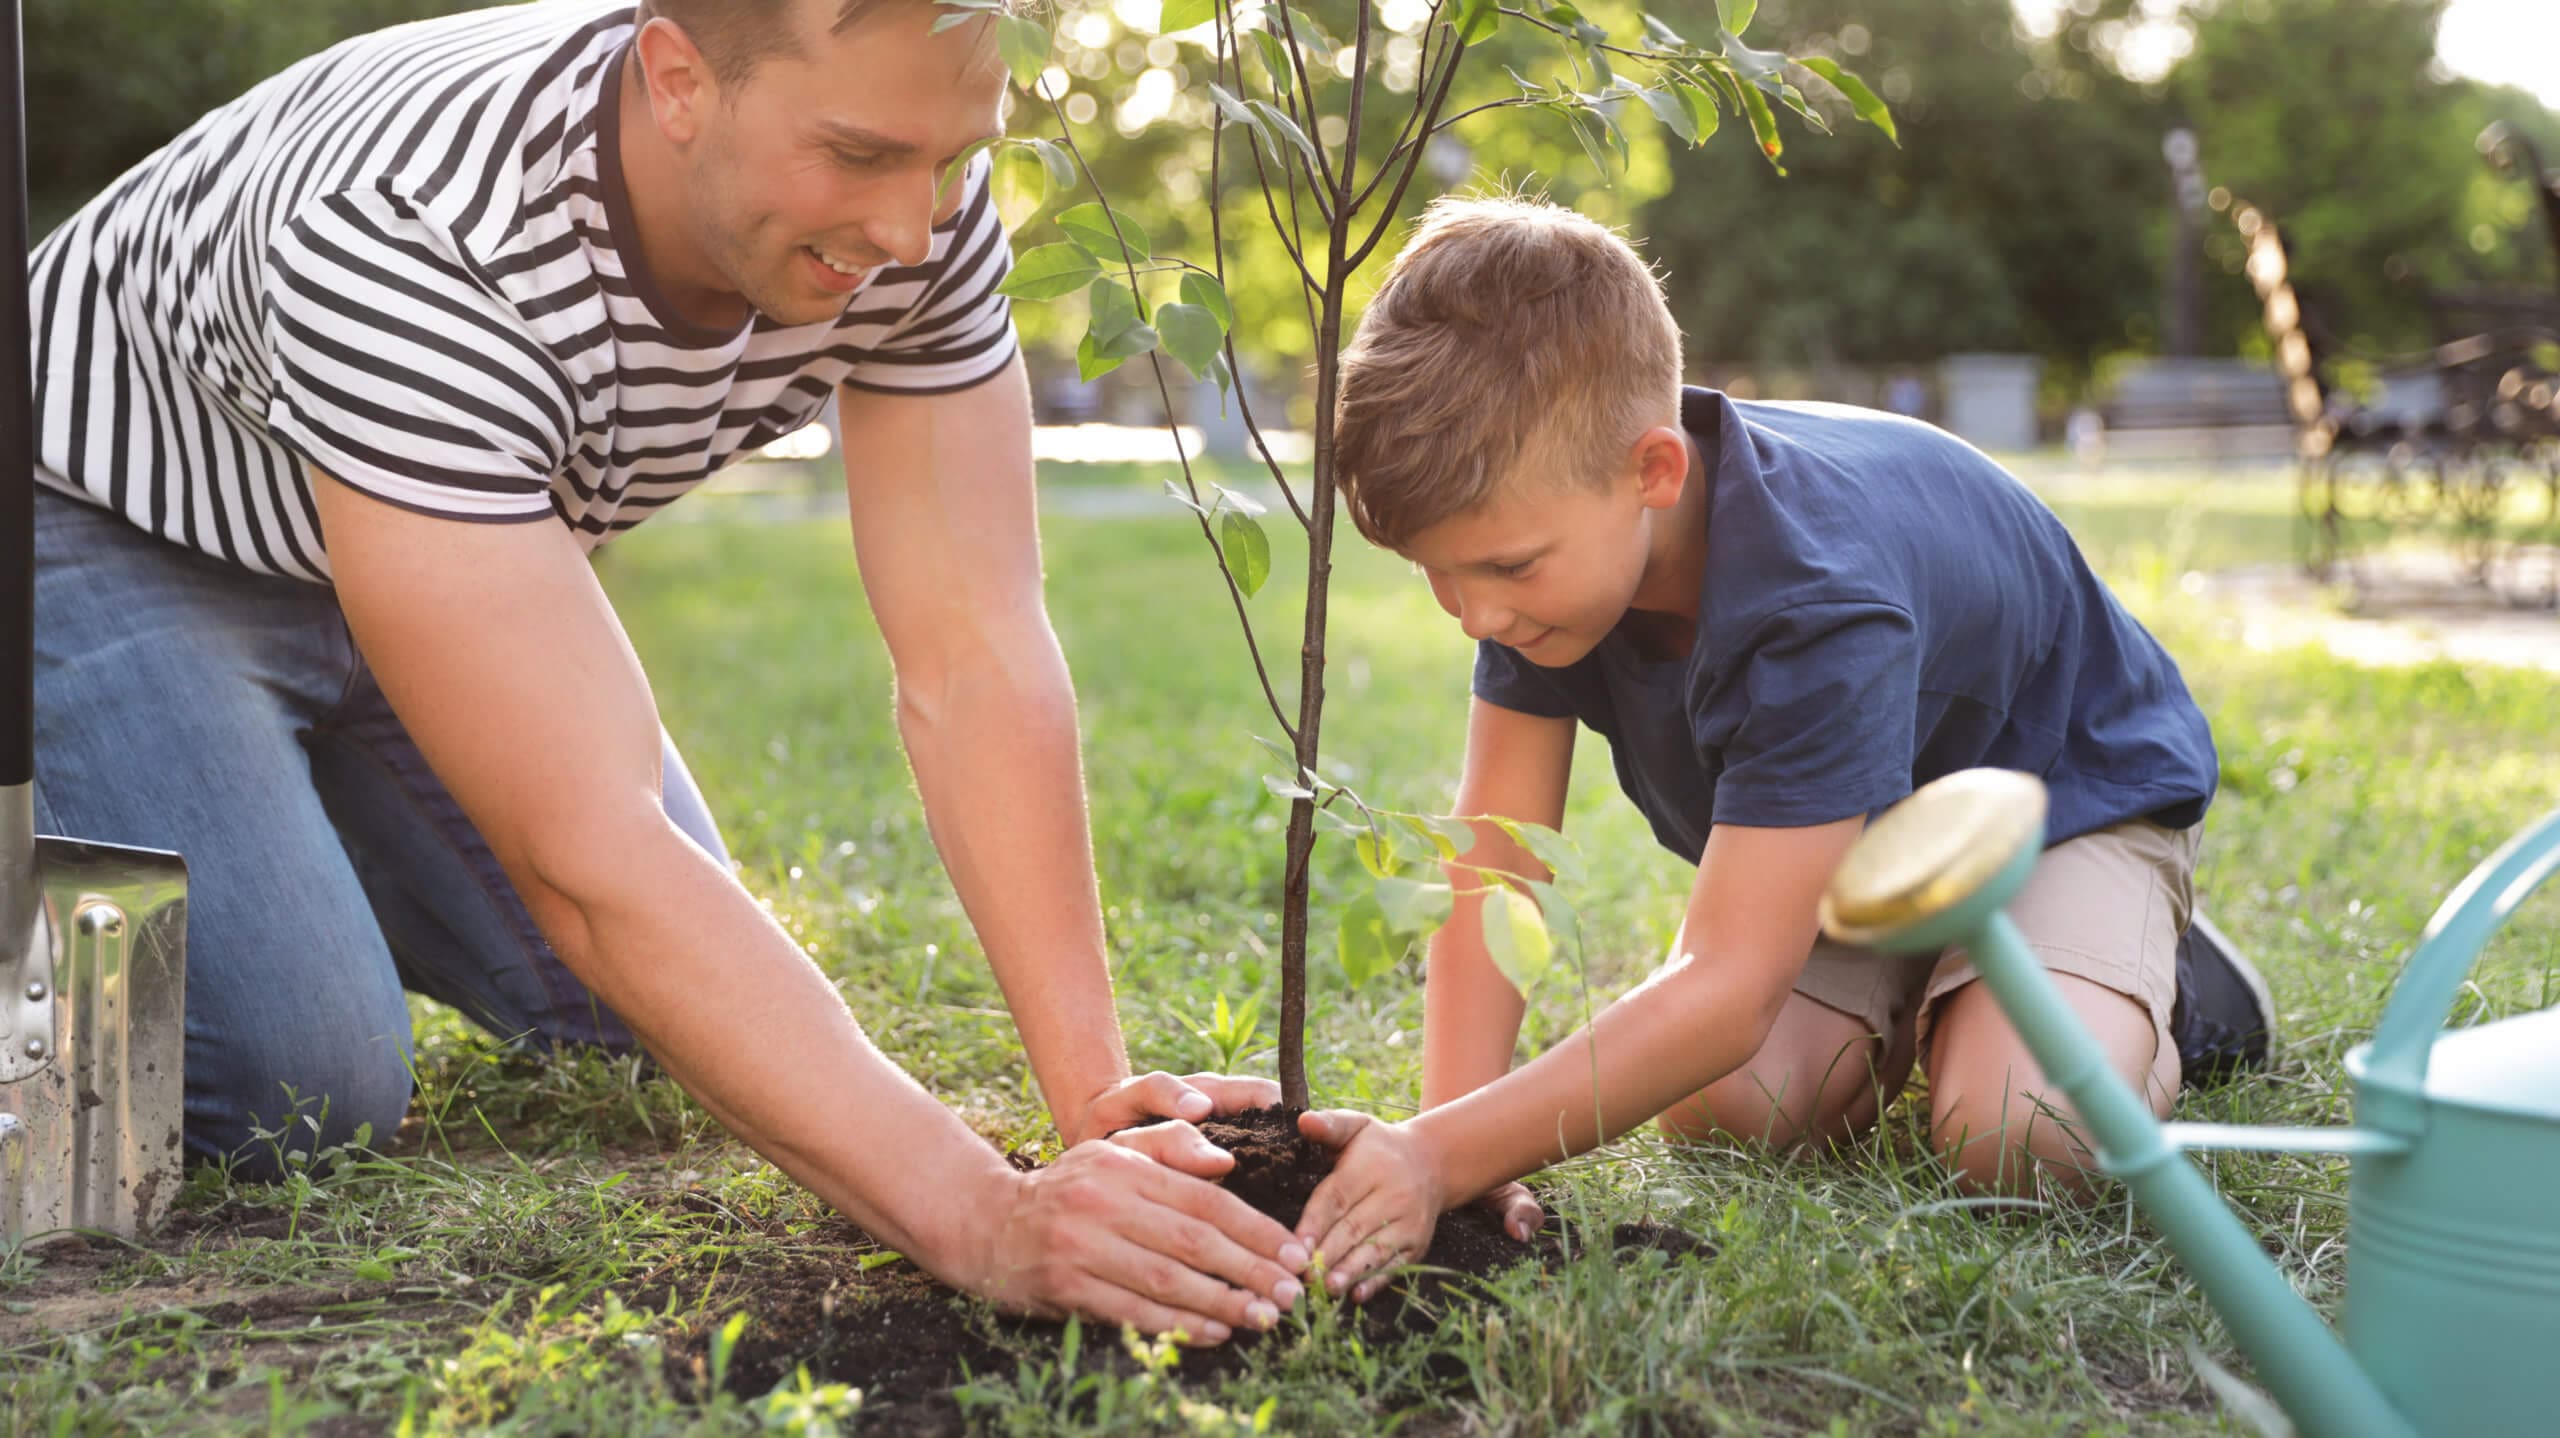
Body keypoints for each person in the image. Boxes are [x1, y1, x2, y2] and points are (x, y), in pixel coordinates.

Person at [27, 0, 1306, 1342]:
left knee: (641, 1010)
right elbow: (589, 854)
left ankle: (258, 818)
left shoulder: (915, 207)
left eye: (950, 158)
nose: (910, 232)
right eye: (860, 154)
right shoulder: (414, 232)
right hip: (94, 521)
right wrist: (981, 1216)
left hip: (427, 546)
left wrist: (1096, 1101)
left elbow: (975, 652)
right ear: (679, 79)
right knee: (307, 1078)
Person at [1287, 196, 2274, 1301]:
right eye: (1438, 571)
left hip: (2058, 795)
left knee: (2016, 1136)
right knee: (1727, 1114)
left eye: (1503, 570)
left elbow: (1728, 986)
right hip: (1858, 840)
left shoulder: (1818, 600)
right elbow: (1498, 865)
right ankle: (1936, 987)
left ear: (1653, 473)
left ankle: (2169, 988)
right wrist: (1453, 1139)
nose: (1470, 615)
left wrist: (1442, 1156)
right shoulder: (1540, 557)